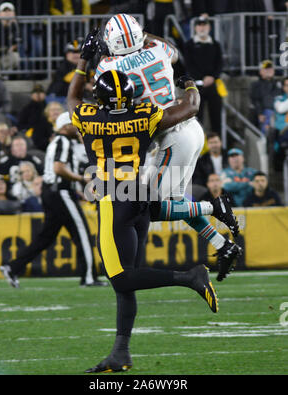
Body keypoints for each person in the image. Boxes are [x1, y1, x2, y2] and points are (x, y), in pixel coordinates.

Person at [67, 31, 241, 373]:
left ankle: (190, 277)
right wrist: (187, 81)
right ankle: (121, 352)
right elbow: (190, 106)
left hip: (113, 199)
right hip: (141, 192)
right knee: (130, 278)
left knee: (119, 277)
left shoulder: (88, 117)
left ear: (99, 100)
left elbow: (72, 97)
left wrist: (85, 62)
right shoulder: (145, 113)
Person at [96, 14, 241, 278]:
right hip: (187, 125)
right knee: (175, 201)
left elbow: (99, 90)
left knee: (151, 207)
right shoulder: (159, 51)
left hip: (171, 135)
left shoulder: (107, 66)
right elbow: (172, 51)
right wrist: (144, 36)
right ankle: (222, 244)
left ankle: (214, 207)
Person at [0, 111, 106, 288]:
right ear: (65, 126)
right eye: (74, 124)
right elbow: (58, 168)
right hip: (60, 192)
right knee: (82, 233)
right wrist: (81, 179)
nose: (77, 128)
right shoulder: (63, 141)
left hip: (52, 192)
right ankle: (88, 277)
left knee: (45, 238)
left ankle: (12, 267)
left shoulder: (56, 141)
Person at [183, 16, 223, 134]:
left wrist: (213, 77)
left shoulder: (215, 44)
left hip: (212, 85)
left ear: (209, 27)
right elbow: (189, 65)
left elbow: (219, 63)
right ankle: (199, 147)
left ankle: (217, 143)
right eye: (199, 25)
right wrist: (201, 78)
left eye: (204, 25)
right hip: (196, 86)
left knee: (216, 117)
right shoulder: (189, 44)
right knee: (196, 118)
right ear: (195, 28)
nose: (202, 28)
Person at [249, 60, 281, 135]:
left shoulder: (278, 83)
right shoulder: (256, 85)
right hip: (266, 114)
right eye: (266, 69)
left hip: (279, 113)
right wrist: (259, 113)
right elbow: (255, 100)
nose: (269, 71)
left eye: (270, 68)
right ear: (261, 71)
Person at [0, 2, 20, 71]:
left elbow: (18, 42)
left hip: (6, 55)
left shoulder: (15, 26)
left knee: (16, 57)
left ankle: (7, 75)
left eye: (9, 11)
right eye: (4, 11)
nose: (7, 13)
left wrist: (13, 47)